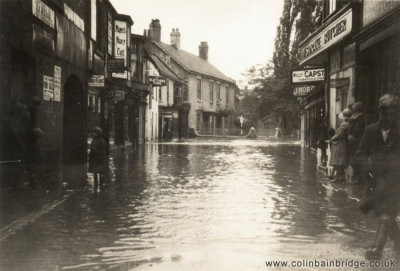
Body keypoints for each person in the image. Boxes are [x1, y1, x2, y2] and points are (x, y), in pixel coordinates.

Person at [354, 94, 400, 260]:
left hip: (396, 181)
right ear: (380, 113)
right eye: (386, 114)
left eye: (393, 114)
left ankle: (376, 249)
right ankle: (398, 241)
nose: (389, 117)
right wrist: (367, 169)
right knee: (383, 213)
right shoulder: (371, 130)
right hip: (376, 180)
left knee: (386, 213)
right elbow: (360, 153)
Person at [329, 108, 351, 182]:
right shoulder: (348, 123)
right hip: (343, 143)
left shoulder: (344, 124)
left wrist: (332, 138)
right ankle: (342, 177)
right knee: (340, 162)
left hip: (341, 144)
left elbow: (340, 135)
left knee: (339, 162)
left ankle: (337, 178)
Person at [348, 102, 366, 184]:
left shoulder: (360, 119)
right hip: (352, 143)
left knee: (355, 162)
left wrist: (349, 138)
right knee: (353, 161)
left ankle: (359, 179)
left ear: (357, 110)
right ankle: (357, 178)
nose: (352, 110)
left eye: (354, 109)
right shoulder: (354, 118)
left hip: (356, 143)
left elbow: (357, 132)